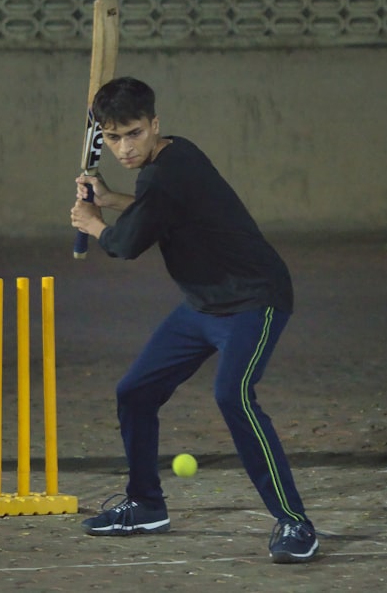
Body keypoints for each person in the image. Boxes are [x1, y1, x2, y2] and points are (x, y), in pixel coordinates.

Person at [69, 77, 318, 564]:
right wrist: (108, 197)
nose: (124, 147)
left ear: (155, 124)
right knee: (135, 391)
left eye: (134, 133)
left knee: (233, 394)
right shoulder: (173, 157)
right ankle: (144, 504)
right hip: (201, 305)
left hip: (254, 301)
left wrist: (92, 223)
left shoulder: (167, 172)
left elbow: (125, 244)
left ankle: (295, 522)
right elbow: (159, 212)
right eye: (114, 137)